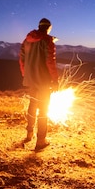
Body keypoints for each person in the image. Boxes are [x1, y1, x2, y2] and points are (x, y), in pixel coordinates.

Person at [19, 18, 59, 151]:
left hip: (31, 79)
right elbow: (50, 61)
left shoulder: (26, 40)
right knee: (43, 108)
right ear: (48, 28)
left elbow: (22, 59)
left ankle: (29, 133)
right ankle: (41, 140)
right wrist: (55, 80)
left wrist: (27, 75)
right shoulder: (47, 41)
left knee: (32, 105)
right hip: (43, 80)